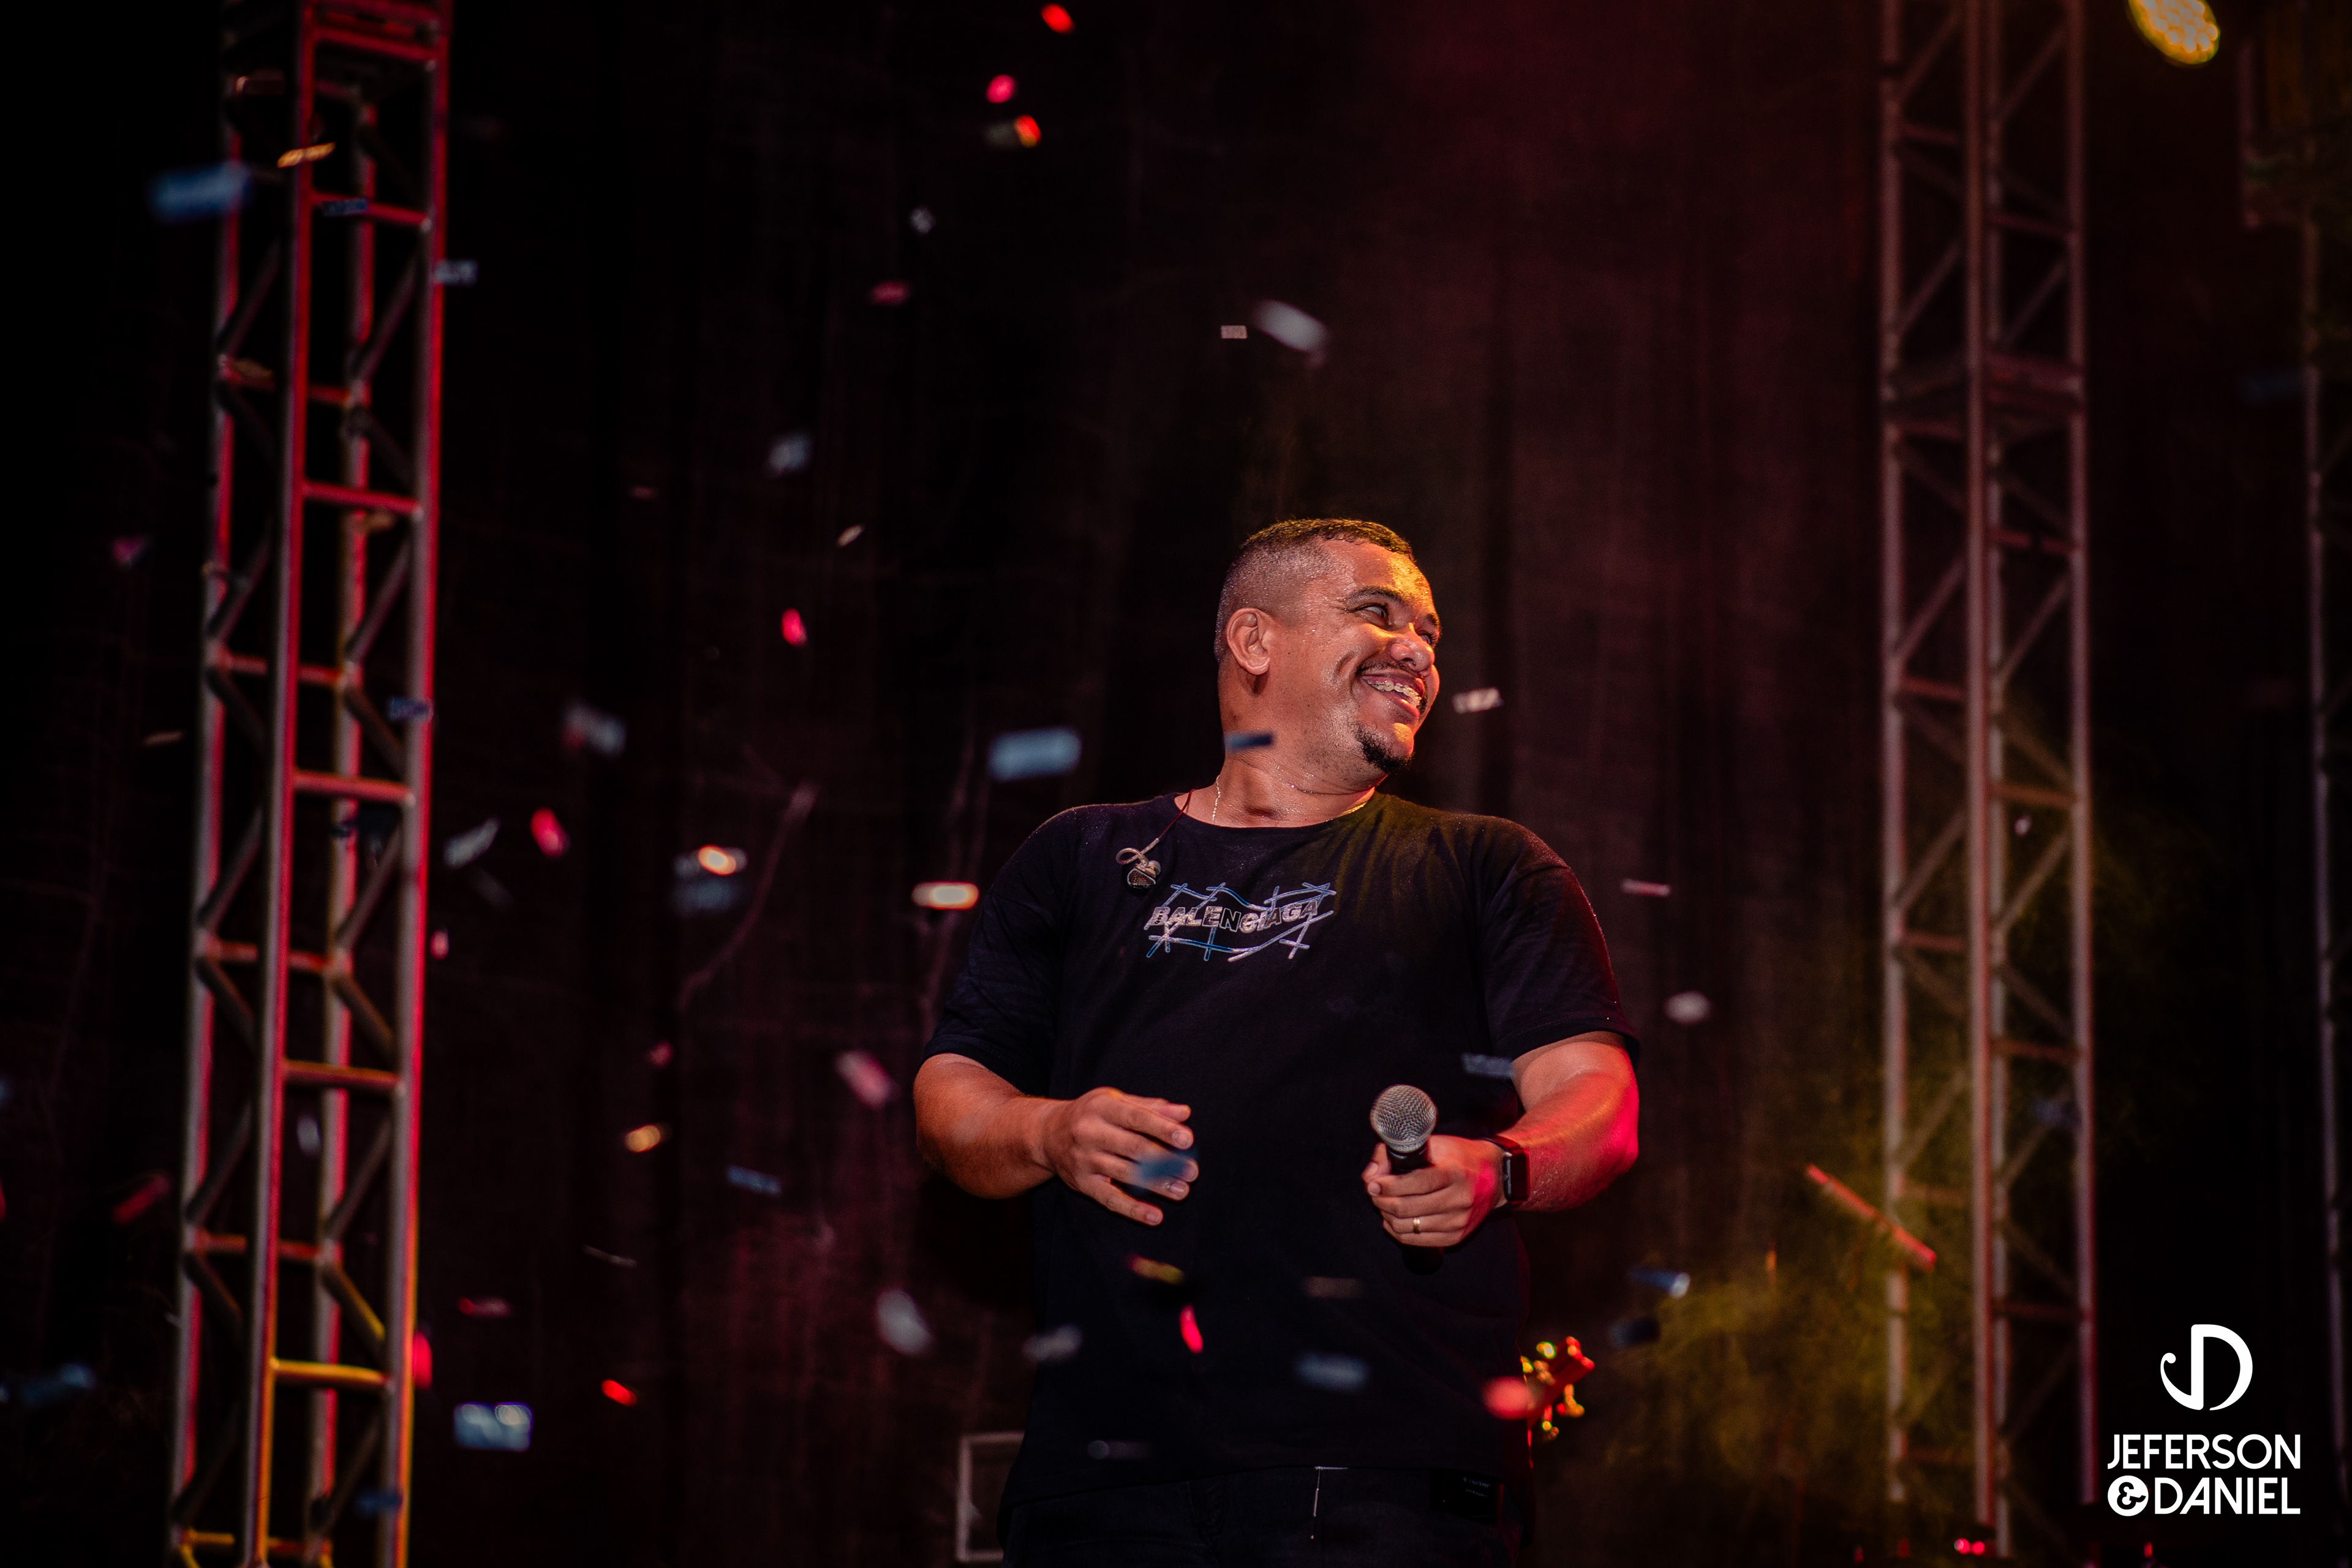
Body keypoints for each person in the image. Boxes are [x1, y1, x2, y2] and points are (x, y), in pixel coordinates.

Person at [914, 518, 1640, 1566]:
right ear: (1254, 640)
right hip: (1106, 1486)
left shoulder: (1489, 869)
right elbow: (949, 1096)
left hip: (1390, 1483)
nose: (1417, 651)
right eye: (1377, 613)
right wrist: (1048, 1133)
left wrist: (1504, 1168)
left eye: (1430, 633)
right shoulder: (1080, 857)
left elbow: (1600, 1101)